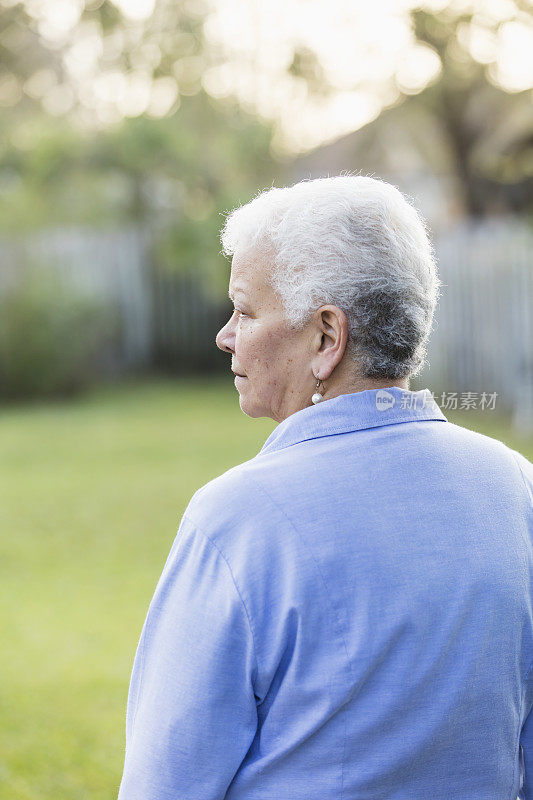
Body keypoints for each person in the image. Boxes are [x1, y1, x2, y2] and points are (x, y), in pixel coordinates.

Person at [117, 175, 533, 800]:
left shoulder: (238, 519)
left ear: (325, 337)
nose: (226, 335)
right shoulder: (516, 488)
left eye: (246, 310)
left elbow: (167, 782)